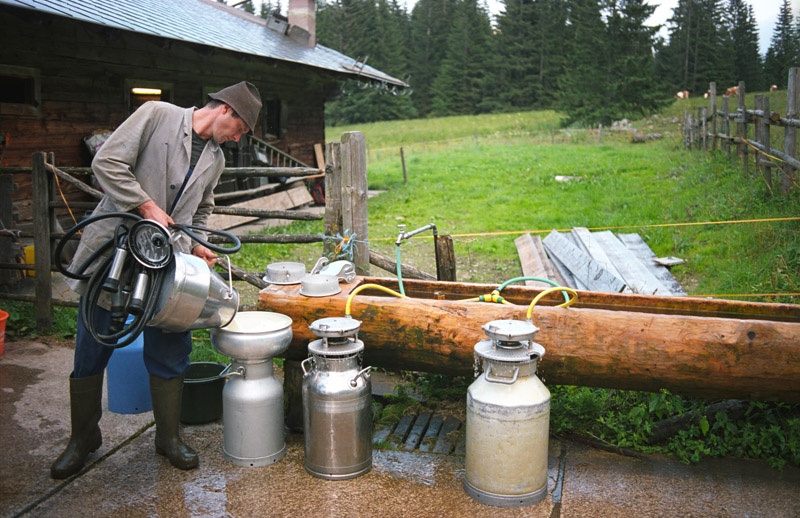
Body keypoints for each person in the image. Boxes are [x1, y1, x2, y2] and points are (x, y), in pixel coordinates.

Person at [50, 81, 262, 479]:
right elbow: (107, 162)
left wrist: (199, 244)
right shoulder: (157, 115)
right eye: (239, 130)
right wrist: (145, 205)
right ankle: (82, 439)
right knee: (93, 345)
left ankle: (167, 437)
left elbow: (203, 209)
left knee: (170, 349)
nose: (237, 139)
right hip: (116, 252)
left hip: (170, 264)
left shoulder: (214, 159)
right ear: (226, 111)